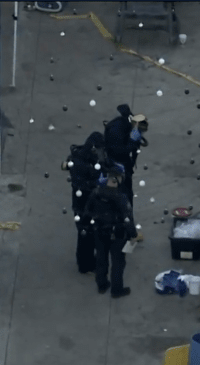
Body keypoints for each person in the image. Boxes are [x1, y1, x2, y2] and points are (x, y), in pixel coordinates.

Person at [85, 171, 137, 298]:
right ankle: (117, 289)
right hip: (117, 234)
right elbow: (127, 218)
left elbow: (87, 211)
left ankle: (102, 285)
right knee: (118, 262)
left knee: (101, 259)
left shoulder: (95, 193)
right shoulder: (121, 197)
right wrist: (133, 234)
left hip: (99, 232)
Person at [63, 133, 106, 273]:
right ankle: (84, 265)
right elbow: (81, 183)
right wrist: (97, 183)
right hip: (82, 204)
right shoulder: (80, 162)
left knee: (89, 234)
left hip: (89, 203)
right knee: (85, 234)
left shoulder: (87, 157)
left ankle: (86, 261)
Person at [103, 104, 148, 198]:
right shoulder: (117, 130)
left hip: (116, 161)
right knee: (124, 192)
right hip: (117, 164)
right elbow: (122, 151)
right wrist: (133, 141)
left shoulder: (118, 124)